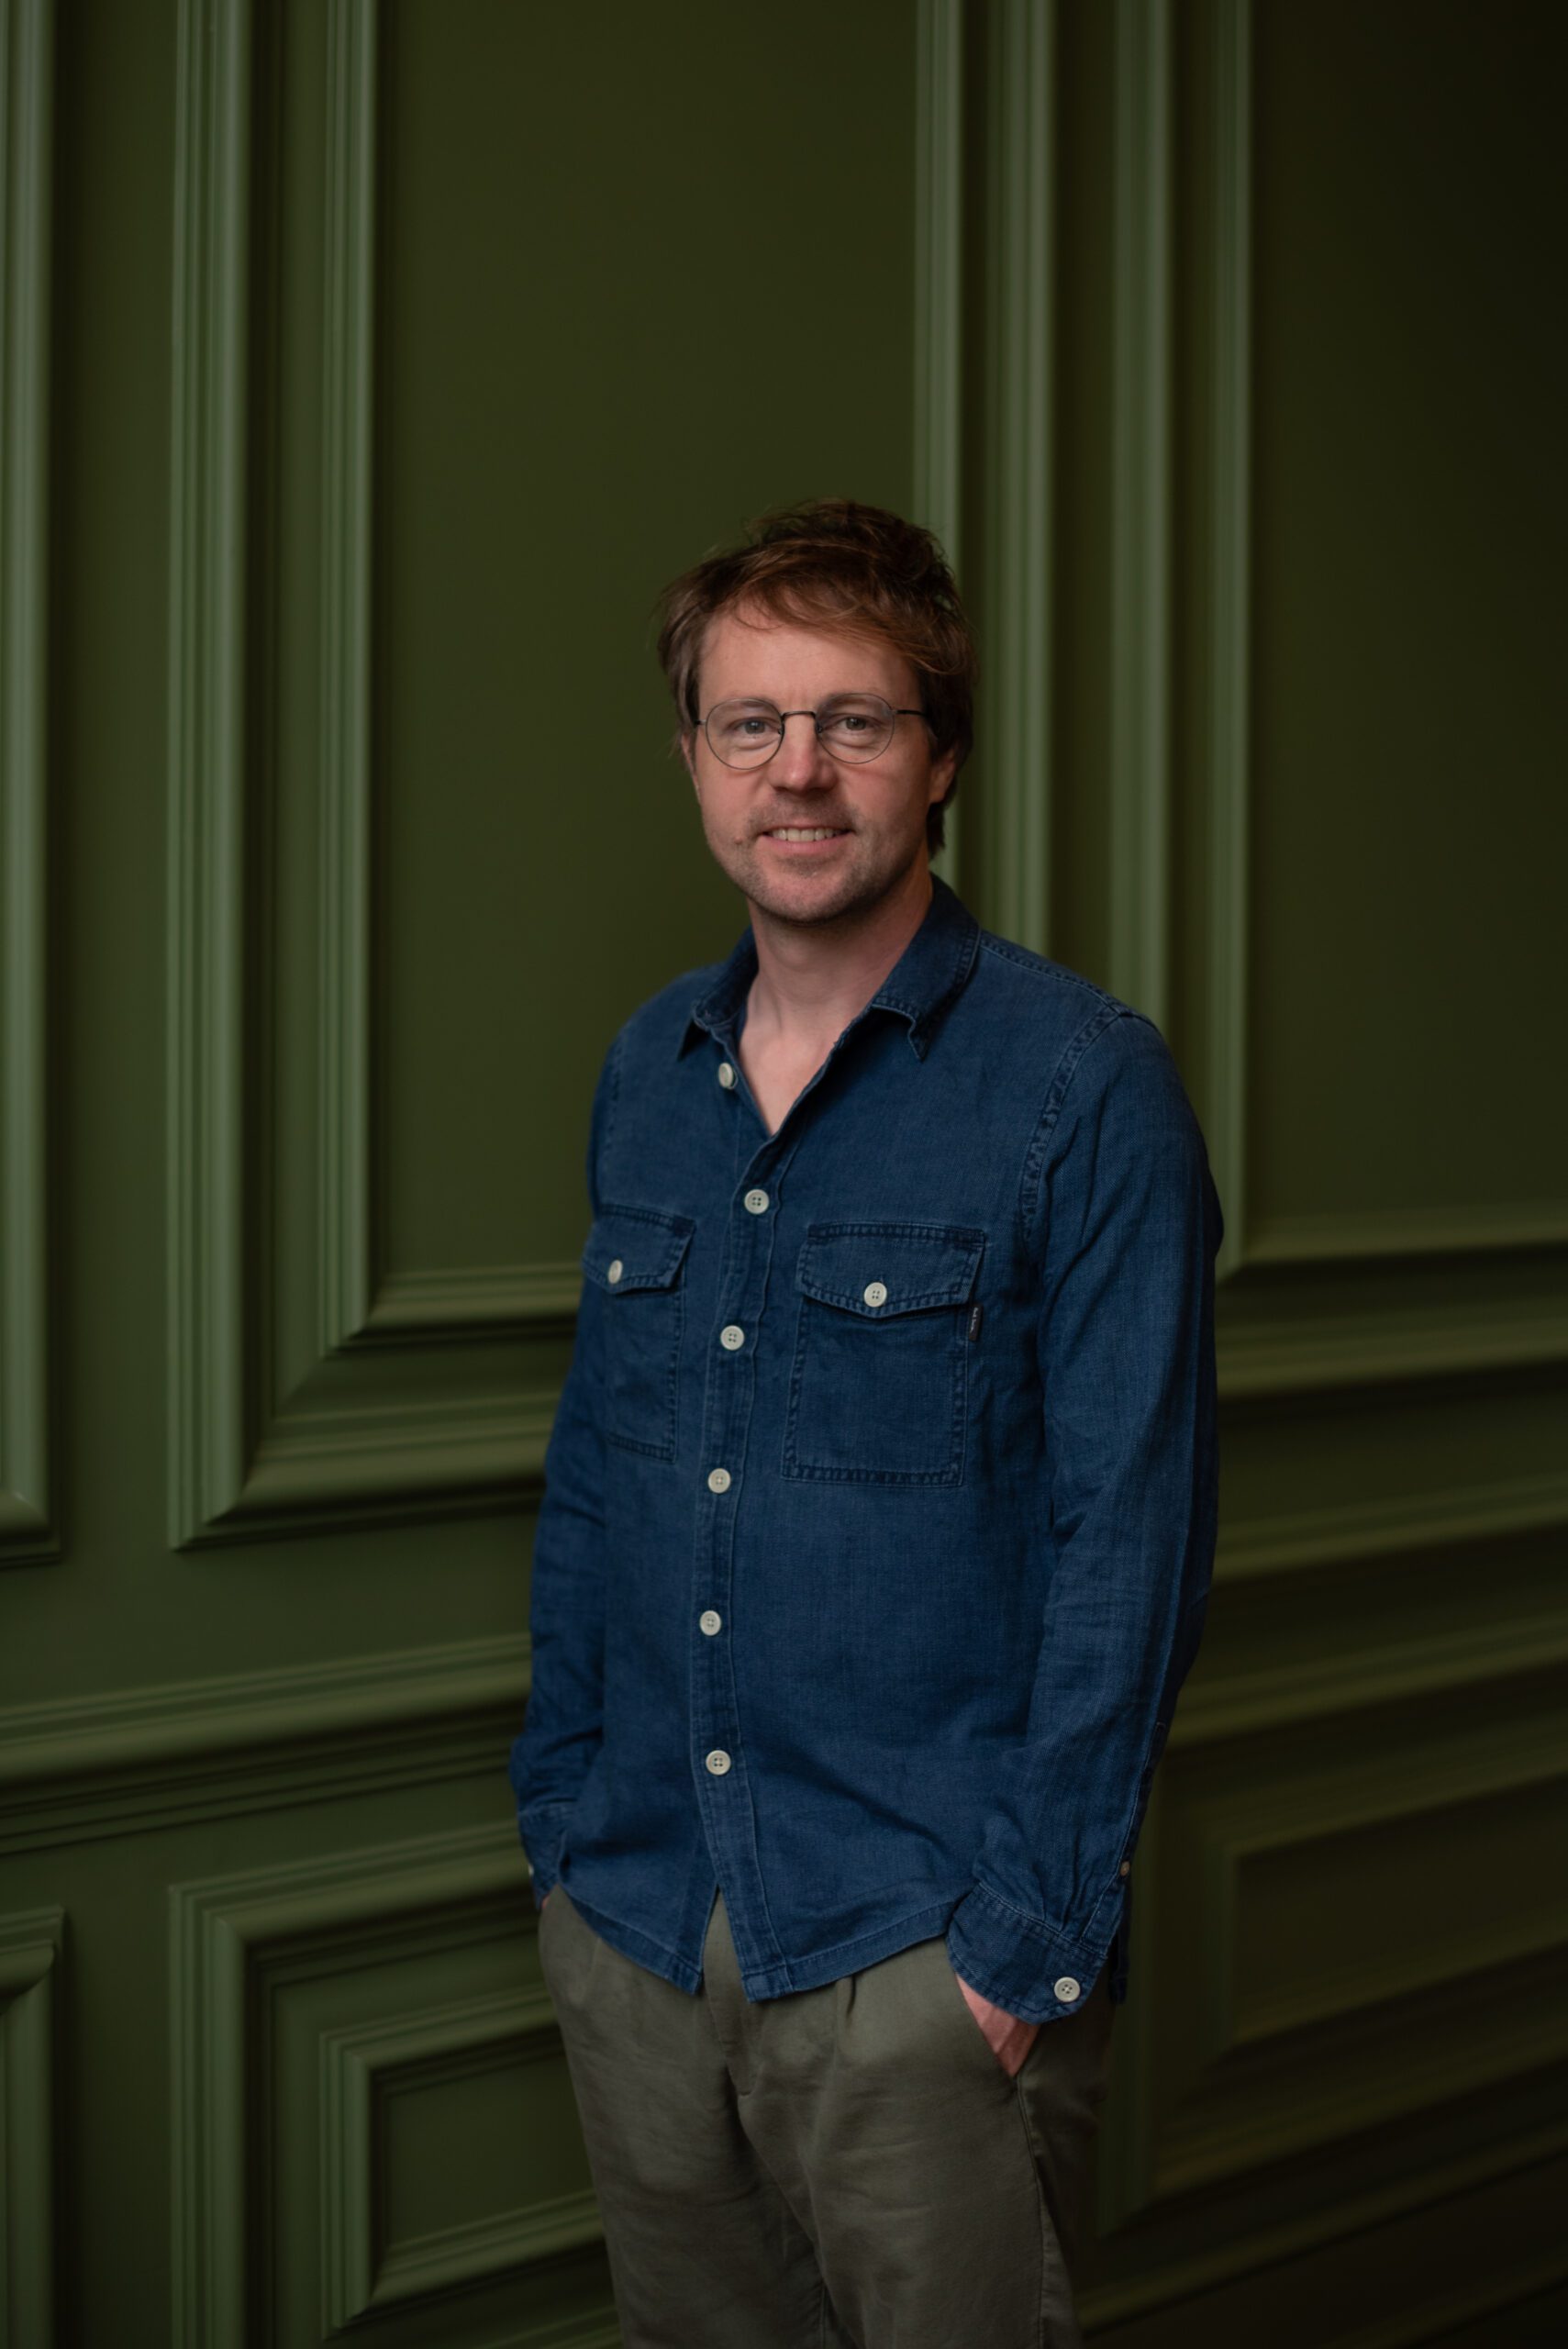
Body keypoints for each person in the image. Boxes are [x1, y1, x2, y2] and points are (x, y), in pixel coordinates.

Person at [509, 498, 1222, 2348]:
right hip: (639, 1919)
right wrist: (560, 1823)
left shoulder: (1083, 1086)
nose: (798, 770)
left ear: (943, 754)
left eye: (855, 719)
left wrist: (1015, 1955)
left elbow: (1131, 1539)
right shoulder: (648, 1068)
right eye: (749, 722)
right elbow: (595, 1475)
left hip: (916, 1952)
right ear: (693, 756)